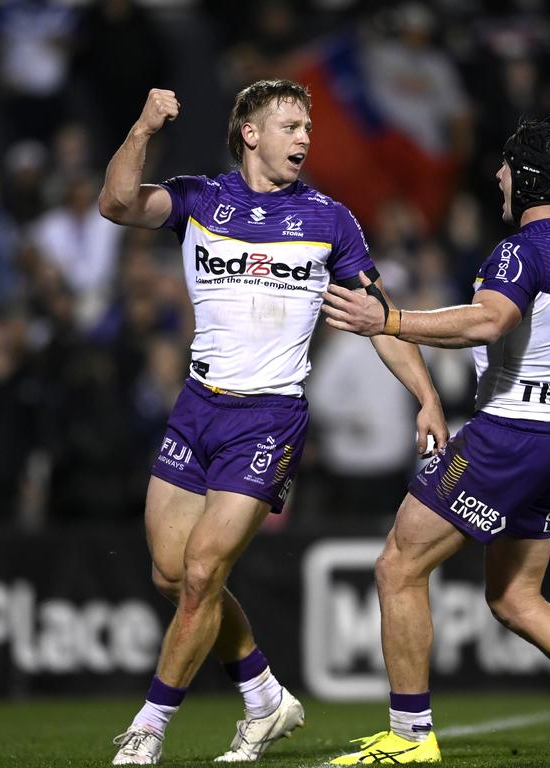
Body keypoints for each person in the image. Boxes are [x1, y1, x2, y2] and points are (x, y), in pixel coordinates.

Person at [97, 79, 448, 765]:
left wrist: (426, 393)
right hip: (198, 406)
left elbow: (379, 319)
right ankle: (263, 696)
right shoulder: (200, 199)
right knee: (170, 575)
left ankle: (149, 727)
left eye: (308, 128)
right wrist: (142, 127)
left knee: (202, 573)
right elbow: (114, 202)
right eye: (291, 126)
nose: (305, 138)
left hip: (269, 418)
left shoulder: (330, 219)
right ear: (250, 134)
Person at [320, 120, 550, 764]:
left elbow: (491, 320)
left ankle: (409, 737)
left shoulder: (524, 249)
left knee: (397, 568)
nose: (498, 176)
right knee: (516, 598)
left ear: (531, 176)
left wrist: (392, 319)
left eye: (509, 166)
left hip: (507, 434)